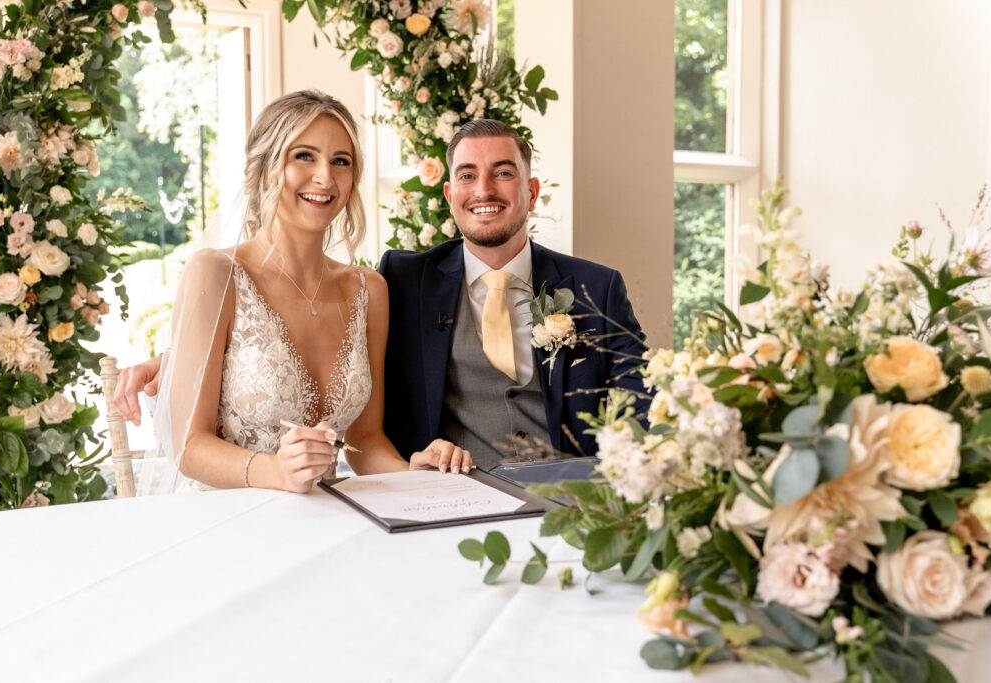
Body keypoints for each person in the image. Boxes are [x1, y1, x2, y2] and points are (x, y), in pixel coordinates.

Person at [126, 90, 471, 494]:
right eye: (303, 156)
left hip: (325, 517)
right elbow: (189, 447)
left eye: (340, 162)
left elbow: (365, 441)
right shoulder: (215, 274)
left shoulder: (369, 290)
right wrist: (277, 472)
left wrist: (413, 474)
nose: (325, 177)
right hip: (228, 519)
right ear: (265, 167)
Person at [378, 120, 647, 470]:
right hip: (452, 502)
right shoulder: (404, 281)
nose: (483, 191)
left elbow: (646, 400)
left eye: (503, 173)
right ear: (449, 195)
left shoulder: (596, 288)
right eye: (467, 176)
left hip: (572, 504)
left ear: (532, 192)